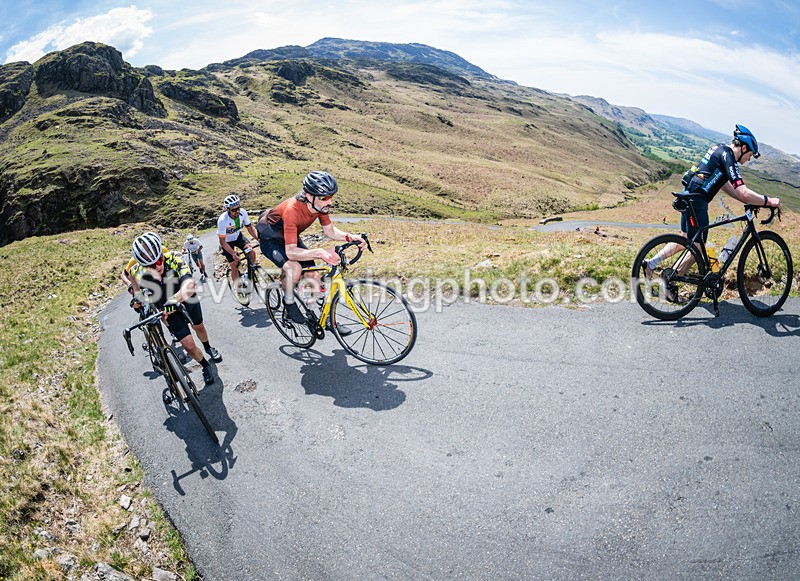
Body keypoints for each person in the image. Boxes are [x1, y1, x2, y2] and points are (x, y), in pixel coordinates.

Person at [642, 125, 781, 300]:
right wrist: (769, 201)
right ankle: (669, 283)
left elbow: (723, 185)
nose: (749, 159)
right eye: (750, 155)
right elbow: (743, 191)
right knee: (697, 250)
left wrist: (744, 200)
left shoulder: (719, 150)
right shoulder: (728, 156)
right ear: (744, 148)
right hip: (698, 201)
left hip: (689, 195)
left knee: (685, 241)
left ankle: (650, 263)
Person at [257, 170, 366, 324]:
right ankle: (289, 303)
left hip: (291, 239)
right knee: (294, 269)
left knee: (314, 277)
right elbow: (291, 253)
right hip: (270, 241)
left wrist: (351, 236)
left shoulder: (319, 206)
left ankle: (325, 318)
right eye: (324, 198)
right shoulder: (292, 210)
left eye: (331, 197)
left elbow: (329, 231)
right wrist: (320, 252)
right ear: (309, 196)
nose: (329, 202)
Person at [129, 232, 222, 385]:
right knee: (189, 346)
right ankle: (205, 365)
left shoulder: (174, 259)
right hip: (167, 309)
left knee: (199, 328)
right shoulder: (137, 271)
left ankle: (208, 346)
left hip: (185, 299)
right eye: (151, 265)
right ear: (144, 266)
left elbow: (189, 285)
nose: (158, 266)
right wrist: (137, 296)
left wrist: (174, 299)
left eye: (159, 260)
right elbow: (132, 279)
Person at [217, 194, 259, 289]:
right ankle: (237, 288)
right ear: (228, 210)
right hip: (227, 242)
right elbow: (222, 242)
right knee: (234, 265)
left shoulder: (242, 213)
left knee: (251, 252)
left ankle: (249, 275)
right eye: (234, 210)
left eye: (238, 208)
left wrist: (259, 239)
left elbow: (250, 228)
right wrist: (232, 253)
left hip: (238, 237)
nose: (237, 211)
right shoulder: (223, 221)